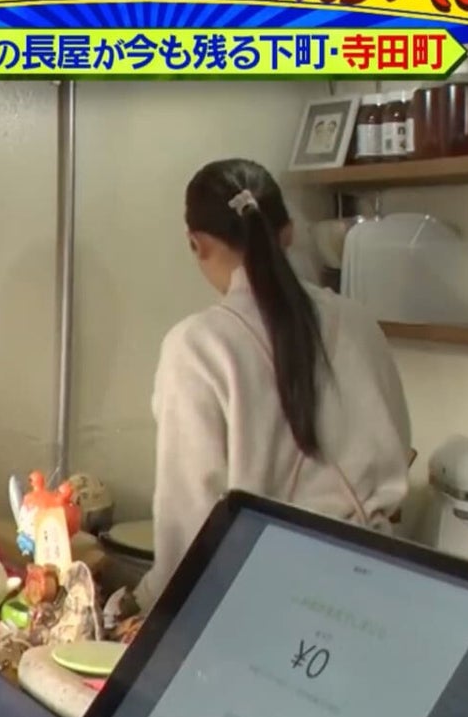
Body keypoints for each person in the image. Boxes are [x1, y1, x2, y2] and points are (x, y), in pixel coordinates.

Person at [135, 159, 410, 608]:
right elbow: (398, 446)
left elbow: (187, 528)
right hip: (375, 588)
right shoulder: (359, 322)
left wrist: (143, 603)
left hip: (262, 602)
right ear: (289, 233)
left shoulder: (198, 346)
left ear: (197, 243)